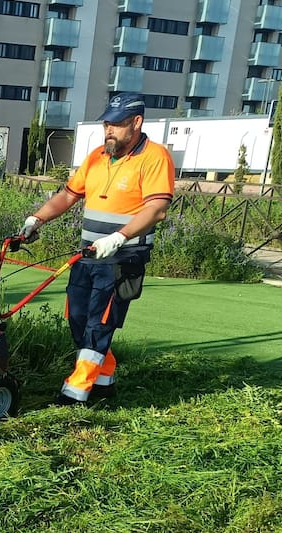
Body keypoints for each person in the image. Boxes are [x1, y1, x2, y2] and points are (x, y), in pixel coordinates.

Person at [18, 92, 175, 406]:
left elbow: (157, 208)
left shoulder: (155, 157)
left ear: (136, 122)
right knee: (77, 317)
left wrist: (119, 237)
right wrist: (36, 219)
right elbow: (67, 195)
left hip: (122, 258)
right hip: (88, 254)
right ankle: (104, 380)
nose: (109, 130)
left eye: (116, 125)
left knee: (99, 322)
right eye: (106, 124)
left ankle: (76, 392)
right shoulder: (96, 157)